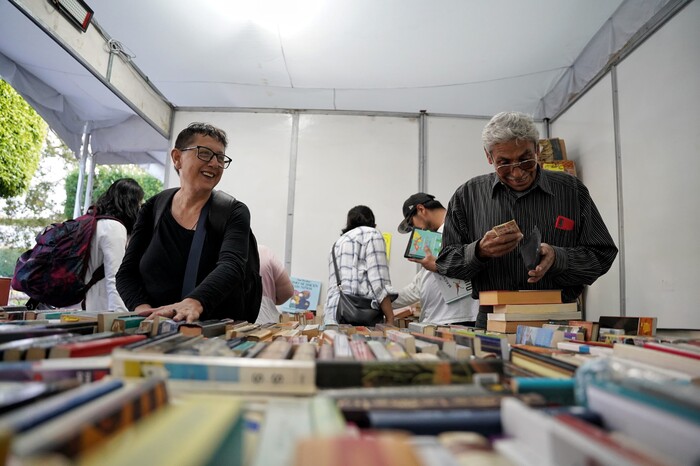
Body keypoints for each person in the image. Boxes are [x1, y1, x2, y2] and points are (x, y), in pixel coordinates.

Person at [435, 111, 618, 329]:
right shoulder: (468, 196)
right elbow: (446, 262)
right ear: (489, 157)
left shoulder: (571, 191)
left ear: (537, 150)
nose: (517, 172)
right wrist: (479, 251)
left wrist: (559, 257)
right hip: (493, 320)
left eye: (525, 160)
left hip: (557, 319)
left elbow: (602, 255)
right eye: (504, 163)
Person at [116, 122, 253, 323]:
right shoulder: (154, 207)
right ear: (177, 158)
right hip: (153, 331)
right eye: (205, 153)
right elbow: (126, 273)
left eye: (220, 157)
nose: (214, 163)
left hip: (211, 336)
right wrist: (146, 312)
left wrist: (194, 303)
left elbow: (232, 266)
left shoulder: (233, 212)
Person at [393, 193, 479, 326]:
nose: (415, 230)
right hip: (439, 320)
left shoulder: (458, 228)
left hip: (458, 319)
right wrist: (384, 301)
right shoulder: (434, 238)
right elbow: (419, 286)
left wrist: (437, 265)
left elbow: (471, 261)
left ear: (421, 209)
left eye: (412, 224)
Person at [324, 205, 397, 326]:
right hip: (359, 317)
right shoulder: (372, 234)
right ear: (372, 221)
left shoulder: (337, 243)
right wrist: (390, 318)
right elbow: (379, 282)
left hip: (332, 313)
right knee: (365, 345)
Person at [84, 178, 144, 312]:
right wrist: (121, 318)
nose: (140, 208)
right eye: (139, 202)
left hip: (82, 306)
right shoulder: (114, 227)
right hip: (97, 310)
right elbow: (116, 278)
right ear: (130, 202)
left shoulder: (96, 222)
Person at [255, 245, 294, 324]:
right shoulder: (264, 252)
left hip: (229, 324)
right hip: (264, 320)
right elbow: (287, 292)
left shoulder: (225, 254)